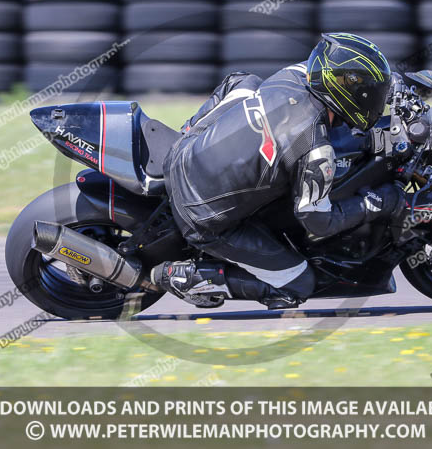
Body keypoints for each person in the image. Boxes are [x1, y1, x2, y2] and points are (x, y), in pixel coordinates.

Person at [152, 33, 406, 309]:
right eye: (370, 92)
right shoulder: (315, 150)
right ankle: (187, 277)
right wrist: (376, 203)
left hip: (183, 149)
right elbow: (318, 220)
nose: (374, 97)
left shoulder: (297, 75)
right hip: (201, 215)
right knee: (299, 285)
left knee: (245, 82)